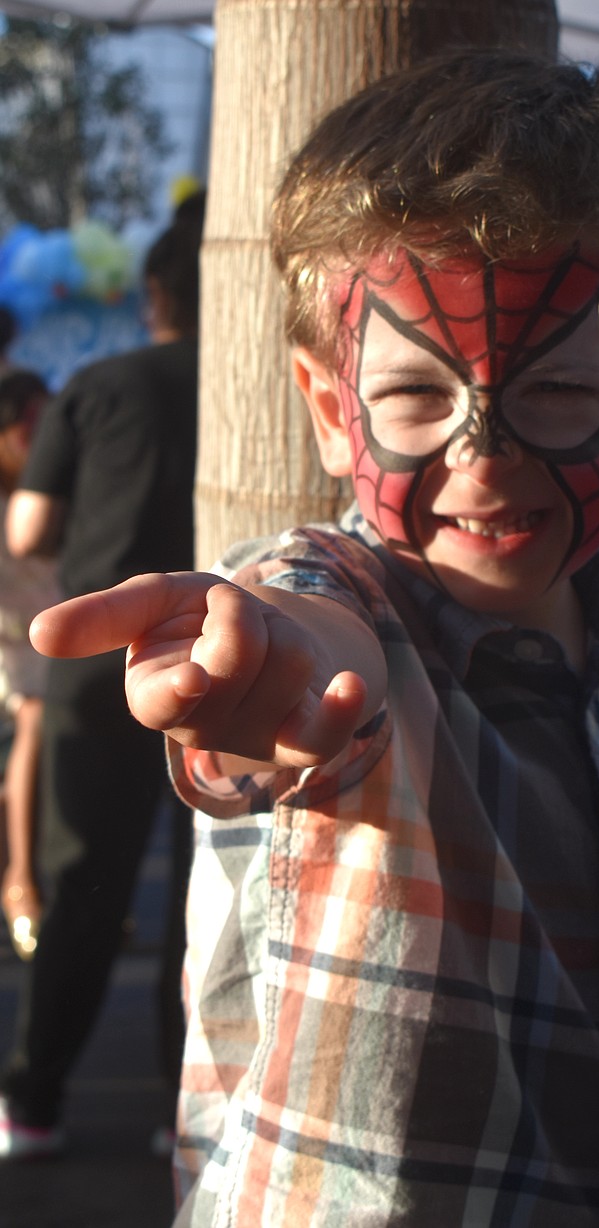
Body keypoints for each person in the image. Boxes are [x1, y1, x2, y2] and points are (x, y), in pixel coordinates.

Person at [13, 50, 599, 1225]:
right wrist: (261, 668)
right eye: (416, 395)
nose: (483, 454)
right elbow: (308, 642)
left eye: (558, 391)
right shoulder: (338, 605)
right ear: (334, 411)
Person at [0, 217, 201, 1158]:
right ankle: (183, 1109)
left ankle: (34, 1103)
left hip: (99, 660)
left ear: (154, 295)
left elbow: (29, 532)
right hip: (224, 653)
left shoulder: (99, 385)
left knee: (84, 886)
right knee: (208, 896)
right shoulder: (270, 383)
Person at [0, 370, 60, 960]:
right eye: (26, 422)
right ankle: (21, 877)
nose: (35, 435)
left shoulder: (54, 486)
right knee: (36, 717)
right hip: (12, 646)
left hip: (44, 639)